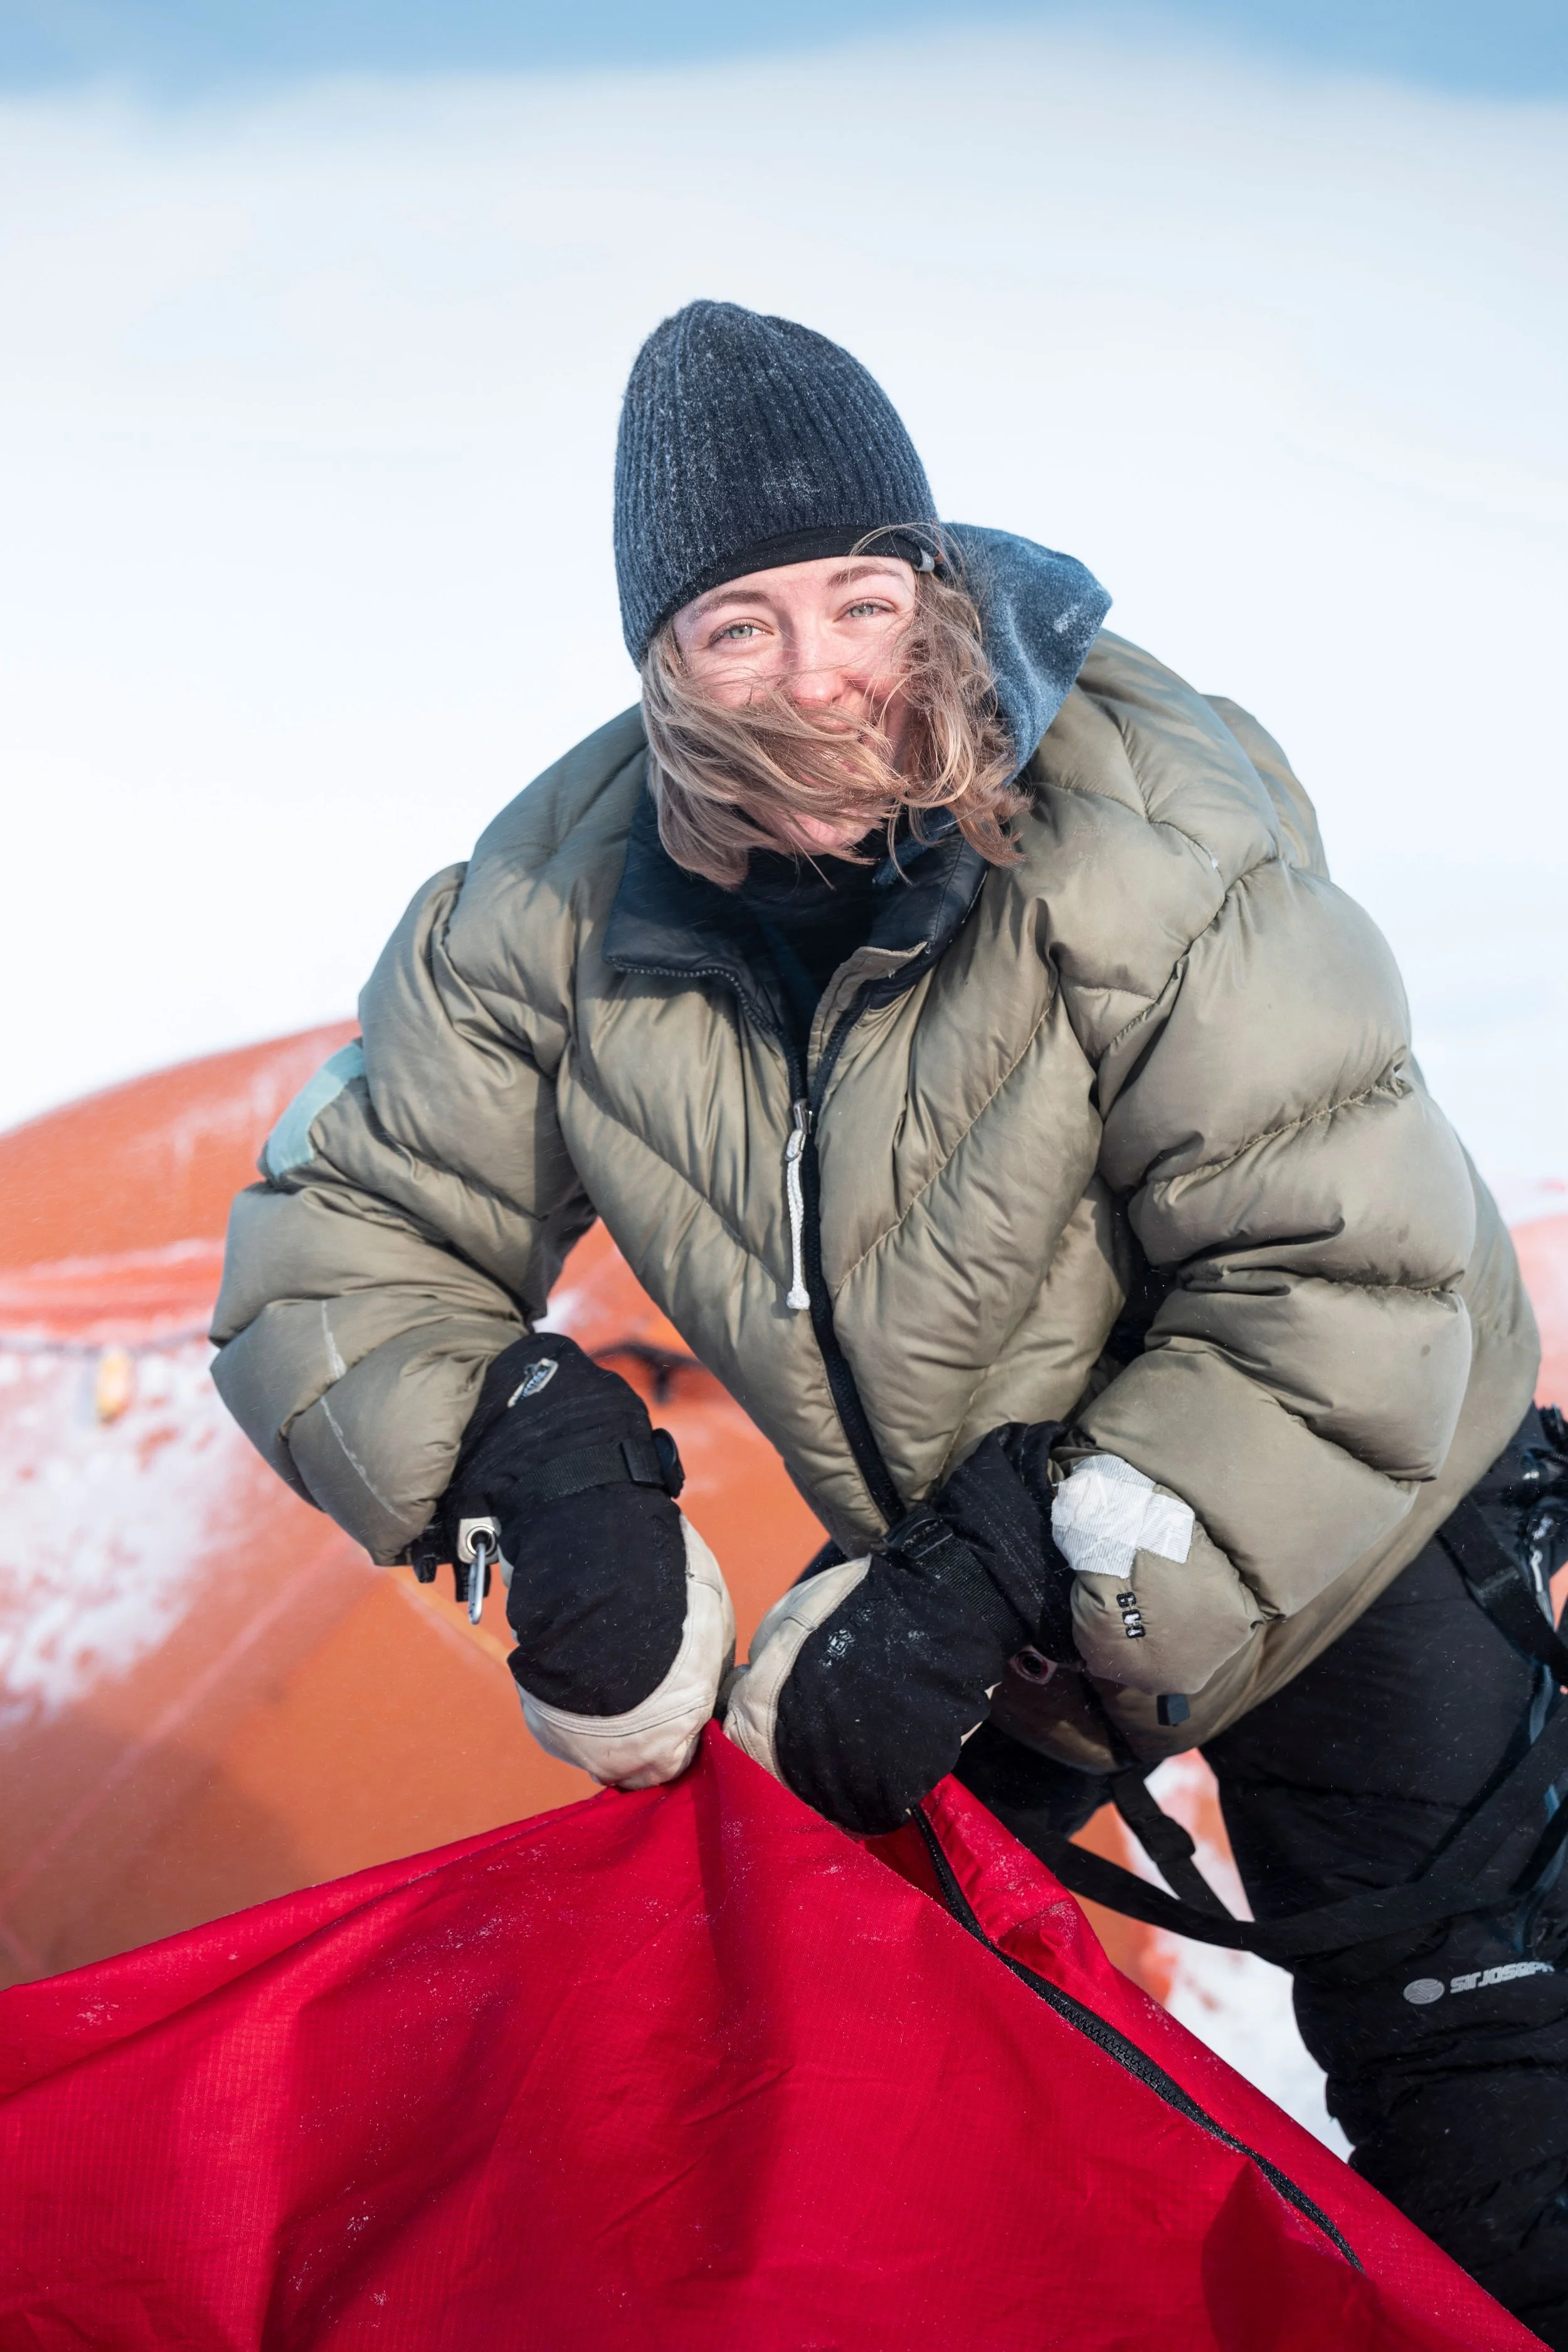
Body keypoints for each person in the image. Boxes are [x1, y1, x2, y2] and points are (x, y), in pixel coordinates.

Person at [213, 300, 1568, 2339]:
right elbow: (339, 1233)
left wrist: (1021, 1552)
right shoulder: (554, 901)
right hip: (969, 1543)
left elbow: (1340, 1280)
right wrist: (513, 1447)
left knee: (1490, 2136)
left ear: (933, 583)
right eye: (742, 625)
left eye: (862, 596)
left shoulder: (1145, 824)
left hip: (1357, 1486)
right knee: (820, 2040)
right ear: (657, 655)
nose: (822, 673)